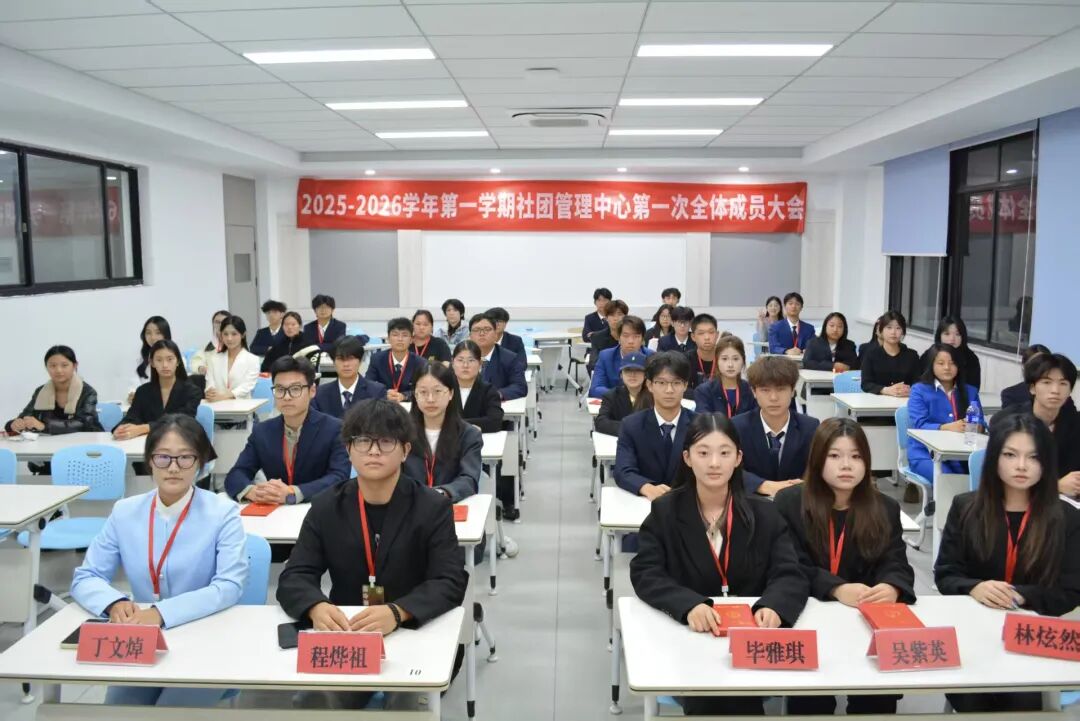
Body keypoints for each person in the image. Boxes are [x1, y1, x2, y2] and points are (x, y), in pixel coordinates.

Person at [275, 399, 467, 711]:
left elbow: (449, 580)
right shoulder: (326, 506)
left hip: (413, 630)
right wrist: (316, 606)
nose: (374, 451)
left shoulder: (432, 507)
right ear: (349, 450)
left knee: (407, 705)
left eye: (386, 442)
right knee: (314, 701)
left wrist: (398, 612)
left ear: (405, 450)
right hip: (350, 633)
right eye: (363, 441)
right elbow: (295, 575)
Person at [630, 412, 809, 717]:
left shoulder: (764, 513)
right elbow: (646, 571)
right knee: (710, 694)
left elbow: (789, 573)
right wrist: (688, 605)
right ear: (687, 458)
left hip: (750, 636)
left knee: (741, 693)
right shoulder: (666, 510)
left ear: (738, 458)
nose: (714, 463)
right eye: (703, 453)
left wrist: (774, 606)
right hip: (691, 636)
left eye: (724, 453)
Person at [71, 414, 247, 707]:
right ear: (150, 461)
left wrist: (161, 613)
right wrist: (114, 603)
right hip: (141, 638)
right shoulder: (125, 511)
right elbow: (86, 577)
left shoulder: (222, 513)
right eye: (163, 457)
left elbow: (229, 586)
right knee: (119, 710)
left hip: (207, 637)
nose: (173, 467)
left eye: (185, 458)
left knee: (169, 711)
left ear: (200, 463)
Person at [935, 413, 1080, 713]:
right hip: (975, 632)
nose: (1022, 466)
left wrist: (1021, 595)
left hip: (1034, 636)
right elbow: (946, 574)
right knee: (972, 698)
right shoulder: (965, 507)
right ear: (994, 459)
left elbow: (1070, 590)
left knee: (1022, 698)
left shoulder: (1067, 518)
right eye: (1010, 455)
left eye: (1033, 457)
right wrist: (975, 588)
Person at [776, 418, 915, 717]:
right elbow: (789, 565)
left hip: (864, 617)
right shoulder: (790, 502)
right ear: (818, 459)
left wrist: (891, 586)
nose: (846, 465)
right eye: (835, 456)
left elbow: (895, 561)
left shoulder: (884, 507)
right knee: (811, 703)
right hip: (808, 613)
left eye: (856, 456)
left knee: (876, 702)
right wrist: (836, 588)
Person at [225, 357, 350, 504]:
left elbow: (339, 477)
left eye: (295, 389)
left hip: (320, 507)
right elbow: (237, 473)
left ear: (312, 391)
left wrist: (293, 493)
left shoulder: (334, 429)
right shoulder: (262, 431)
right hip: (276, 510)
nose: (287, 397)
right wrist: (252, 492)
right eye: (280, 390)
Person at [732, 356, 820, 498]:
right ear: (754, 392)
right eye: (765, 390)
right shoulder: (737, 426)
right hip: (752, 502)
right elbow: (729, 467)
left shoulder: (810, 427)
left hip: (796, 501)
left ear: (793, 390)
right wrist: (762, 485)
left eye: (781, 389)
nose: (773, 398)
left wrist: (800, 486)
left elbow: (817, 468)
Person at [614, 352, 695, 501]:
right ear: (650, 385)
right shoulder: (631, 425)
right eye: (662, 383)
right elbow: (623, 470)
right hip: (644, 502)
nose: (669, 390)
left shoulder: (699, 425)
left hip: (689, 502)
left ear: (685, 386)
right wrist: (647, 487)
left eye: (676, 383)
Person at [999, 353, 1080, 498]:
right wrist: (1056, 486)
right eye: (1047, 382)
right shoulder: (1009, 422)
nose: (1055, 390)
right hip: (1020, 501)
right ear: (1032, 388)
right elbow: (1002, 478)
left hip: (1069, 502)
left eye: (1063, 384)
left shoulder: (1074, 423)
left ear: (1070, 391)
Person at [907, 344, 986, 484]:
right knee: (948, 479)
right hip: (925, 453)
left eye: (952, 363)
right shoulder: (919, 390)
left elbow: (980, 422)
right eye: (941, 363)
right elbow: (920, 424)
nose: (947, 368)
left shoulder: (970, 391)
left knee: (986, 475)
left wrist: (977, 427)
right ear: (931, 365)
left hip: (963, 452)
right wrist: (947, 427)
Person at [405, 364, 482, 502]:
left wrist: (441, 493)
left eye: (437, 391)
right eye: (423, 392)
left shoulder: (469, 434)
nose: (430, 399)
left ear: (451, 394)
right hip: (408, 503)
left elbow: (469, 479)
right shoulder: (401, 433)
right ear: (415, 395)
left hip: (448, 504)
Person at [114, 340, 202, 441]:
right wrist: (121, 428)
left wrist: (145, 428)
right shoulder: (143, 391)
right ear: (152, 363)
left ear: (178, 361)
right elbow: (132, 417)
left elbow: (180, 421)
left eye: (170, 359)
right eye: (159, 360)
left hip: (181, 442)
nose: (165, 365)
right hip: (147, 444)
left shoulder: (192, 391)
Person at [6, 345, 102, 436]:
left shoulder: (88, 392)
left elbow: (84, 424)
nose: (58, 370)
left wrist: (44, 426)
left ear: (74, 365)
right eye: (52, 366)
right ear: (46, 367)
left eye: (64, 365)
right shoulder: (41, 391)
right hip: (51, 442)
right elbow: (25, 417)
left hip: (86, 441)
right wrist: (13, 425)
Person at [312, 336, 387, 419]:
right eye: (341, 359)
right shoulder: (320, 394)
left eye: (351, 358)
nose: (346, 364)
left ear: (360, 361)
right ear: (333, 362)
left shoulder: (377, 392)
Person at [365, 317, 429, 403]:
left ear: (411, 340)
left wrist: (404, 396)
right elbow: (367, 385)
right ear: (388, 338)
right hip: (383, 405)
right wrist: (384, 393)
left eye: (404, 335)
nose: (400, 339)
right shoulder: (377, 359)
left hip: (410, 406)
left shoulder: (420, 362)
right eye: (395, 335)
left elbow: (424, 390)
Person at [590, 315, 654, 398]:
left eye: (636, 336)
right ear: (618, 337)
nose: (630, 341)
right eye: (626, 336)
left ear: (642, 339)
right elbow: (595, 389)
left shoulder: (651, 357)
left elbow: (657, 387)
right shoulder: (606, 356)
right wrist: (623, 397)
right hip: (615, 403)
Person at [693, 335, 756, 418]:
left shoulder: (750, 390)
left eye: (735, 359)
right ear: (717, 361)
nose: (730, 365)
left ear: (743, 361)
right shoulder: (704, 391)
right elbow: (704, 422)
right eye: (724, 359)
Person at [860, 310, 920, 397]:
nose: (893, 332)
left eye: (898, 328)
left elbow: (918, 382)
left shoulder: (912, 356)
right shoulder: (871, 355)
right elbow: (866, 384)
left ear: (903, 332)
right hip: (877, 401)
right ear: (881, 331)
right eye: (889, 327)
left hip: (905, 399)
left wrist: (908, 390)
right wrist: (886, 390)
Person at [469, 312, 526, 401]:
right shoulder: (461, 357)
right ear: (470, 336)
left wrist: (497, 394)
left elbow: (520, 387)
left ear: (496, 334)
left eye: (487, 329)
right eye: (476, 330)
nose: (482, 333)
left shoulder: (510, 358)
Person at [452, 341, 505, 433]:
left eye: (471, 360)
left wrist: (455, 424)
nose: (465, 365)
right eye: (460, 360)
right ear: (452, 363)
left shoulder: (488, 391)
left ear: (480, 364)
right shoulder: (444, 389)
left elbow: (495, 421)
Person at [204, 315, 260, 401]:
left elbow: (246, 387)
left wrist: (223, 396)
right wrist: (210, 392)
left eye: (234, 334)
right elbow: (209, 384)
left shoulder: (253, 360)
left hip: (242, 406)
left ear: (243, 335)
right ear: (221, 335)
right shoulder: (213, 359)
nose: (229, 338)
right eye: (225, 334)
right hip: (216, 405)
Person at [595, 352, 651, 436]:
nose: (632, 375)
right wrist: (628, 428)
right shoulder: (611, 396)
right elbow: (600, 422)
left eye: (638, 370)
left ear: (645, 375)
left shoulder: (654, 396)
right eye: (628, 370)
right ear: (621, 375)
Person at [919, 316, 981, 390]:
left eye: (957, 334)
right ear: (939, 336)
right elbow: (919, 381)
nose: (952, 339)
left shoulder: (971, 359)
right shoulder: (929, 355)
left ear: (963, 337)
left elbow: (973, 388)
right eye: (947, 334)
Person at [134, 316, 171, 391]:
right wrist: (133, 393)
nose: (153, 337)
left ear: (165, 334)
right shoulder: (140, 359)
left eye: (158, 333)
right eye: (148, 333)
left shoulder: (174, 358)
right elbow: (134, 384)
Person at [589, 299, 627, 370]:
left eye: (619, 314)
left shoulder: (632, 336)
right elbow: (593, 363)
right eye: (612, 315)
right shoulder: (597, 337)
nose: (616, 318)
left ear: (625, 317)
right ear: (606, 318)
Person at [686, 313, 721, 389]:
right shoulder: (686, 360)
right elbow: (684, 389)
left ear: (717, 334)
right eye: (701, 333)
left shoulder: (725, 358)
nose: (707, 337)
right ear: (693, 337)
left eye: (711, 332)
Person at [190, 309, 229, 375]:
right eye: (217, 322)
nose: (220, 325)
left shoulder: (236, 345)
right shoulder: (208, 346)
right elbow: (196, 361)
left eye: (224, 322)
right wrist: (200, 368)